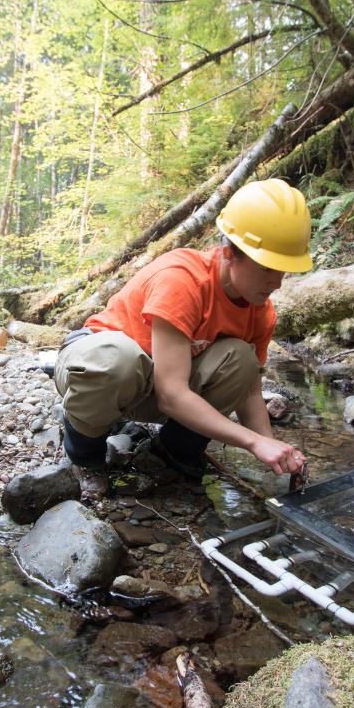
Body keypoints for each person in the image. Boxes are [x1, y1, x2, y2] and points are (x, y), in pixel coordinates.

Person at [54, 178, 312, 500]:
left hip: (157, 385)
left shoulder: (261, 310)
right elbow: (172, 396)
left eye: (284, 270)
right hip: (98, 367)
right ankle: (85, 455)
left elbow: (249, 392)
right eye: (267, 269)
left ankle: (169, 455)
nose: (277, 282)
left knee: (242, 362)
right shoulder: (183, 280)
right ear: (230, 253)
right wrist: (250, 441)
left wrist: (273, 447)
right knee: (119, 361)